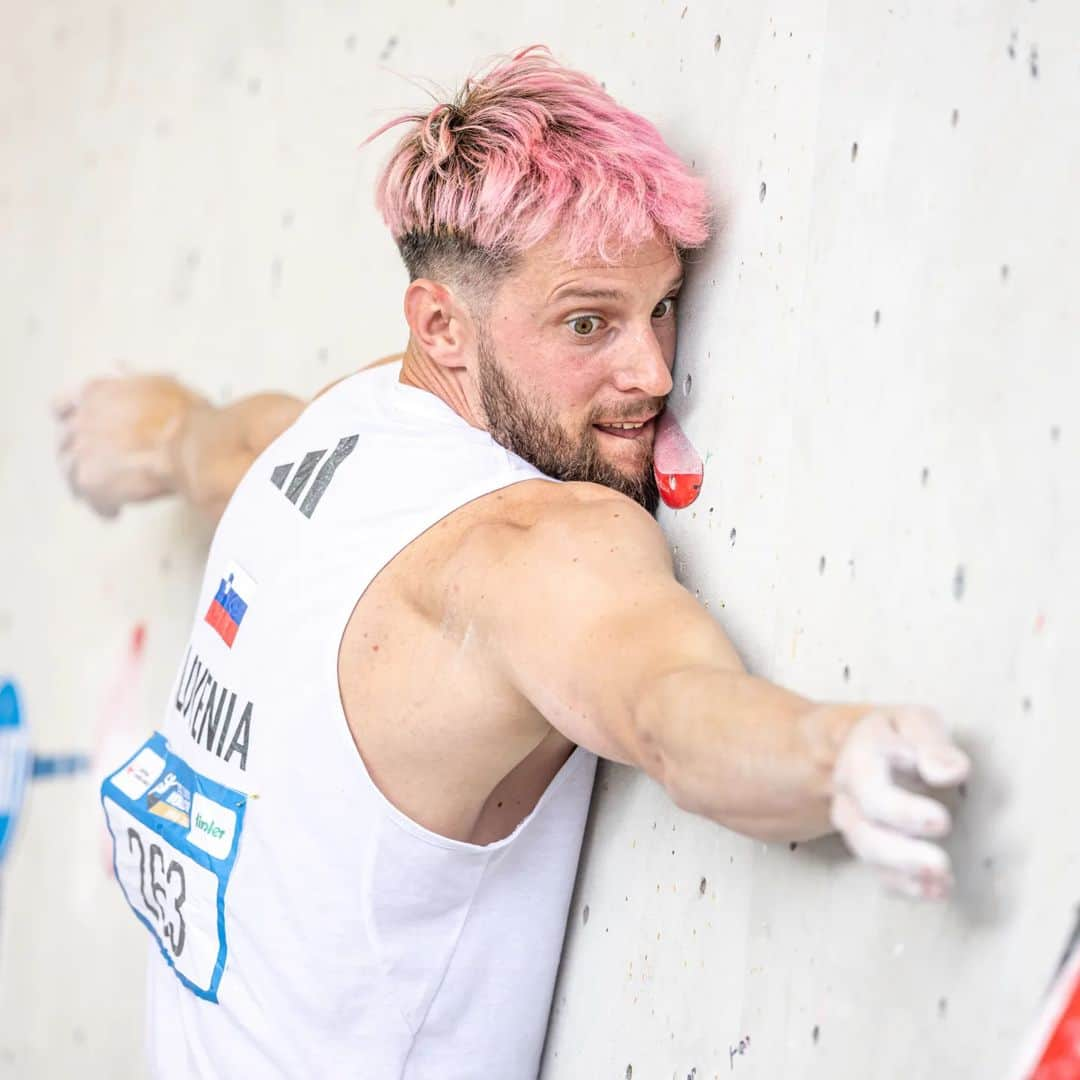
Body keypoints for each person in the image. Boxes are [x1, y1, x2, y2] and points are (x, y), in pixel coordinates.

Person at [54, 44, 970, 1080]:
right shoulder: (527, 549)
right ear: (441, 325)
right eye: (590, 322)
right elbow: (665, 716)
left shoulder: (336, 426)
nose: (654, 371)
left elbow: (669, 700)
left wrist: (829, 755)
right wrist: (830, 758)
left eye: (662, 305)